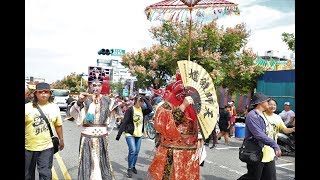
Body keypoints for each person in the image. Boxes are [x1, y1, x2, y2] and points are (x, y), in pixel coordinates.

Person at [147, 73, 201, 180]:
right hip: (171, 153)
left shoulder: (194, 106)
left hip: (189, 152)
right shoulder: (166, 105)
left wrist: (199, 138)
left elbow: (197, 126)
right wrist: (182, 106)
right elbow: (165, 125)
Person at [69, 76, 116, 180]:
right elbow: (73, 114)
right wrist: (79, 102)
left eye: (99, 85)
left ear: (102, 87)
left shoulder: (108, 100)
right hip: (87, 137)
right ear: (90, 86)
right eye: (94, 85)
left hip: (102, 137)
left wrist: (107, 130)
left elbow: (113, 118)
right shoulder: (84, 99)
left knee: (102, 163)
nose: (96, 88)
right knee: (87, 163)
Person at [25, 82, 65, 180]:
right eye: (40, 92)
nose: (43, 94)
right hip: (28, 147)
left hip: (47, 147)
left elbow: (58, 125)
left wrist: (61, 139)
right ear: (36, 94)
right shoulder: (27, 107)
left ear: (50, 93)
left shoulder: (54, 107)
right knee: (27, 175)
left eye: (46, 92)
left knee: (46, 175)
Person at [238, 92, 281, 180]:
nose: (268, 103)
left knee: (270, 177)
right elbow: (258, 134)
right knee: (253, 177)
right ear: (261, 102)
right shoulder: (252, 115)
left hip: (266, 152)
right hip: (255, 151)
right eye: (267, 101)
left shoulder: (263, 114)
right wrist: (274, 144)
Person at [115, 94, 153, 178]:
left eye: (142, 101)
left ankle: (133, 166)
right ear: (135, 101)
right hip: (130, 134)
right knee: (133, 150)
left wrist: (145, 100)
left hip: (139, 134)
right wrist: (119, 134)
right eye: (140, 101)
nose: (141, 102)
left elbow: (150, 109)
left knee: (136, 152)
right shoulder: (130, 110)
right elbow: (124, 122)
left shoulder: (142, 110)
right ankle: (129, 168)